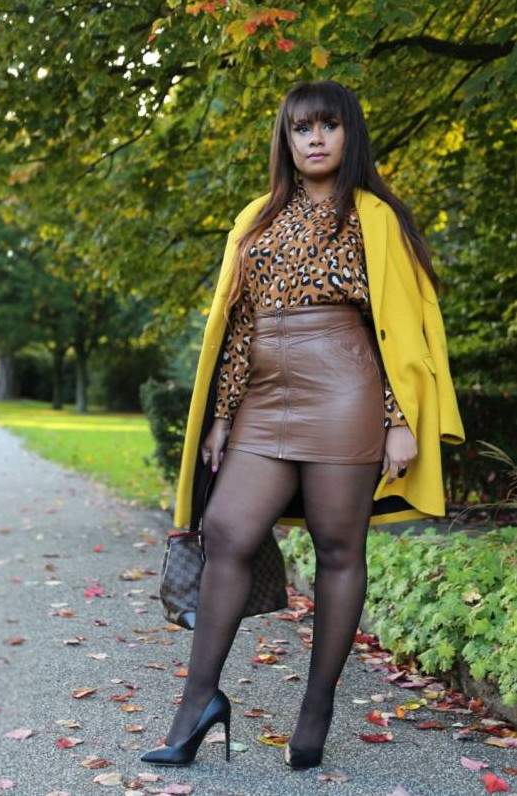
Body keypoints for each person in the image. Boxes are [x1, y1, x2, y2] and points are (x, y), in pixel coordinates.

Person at [141, 79, 465, 770]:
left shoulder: (374, 216)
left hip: (344, 386)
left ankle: (316, 709)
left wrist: (398, 418)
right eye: (300, 127)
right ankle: (197, 702)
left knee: (338, 546)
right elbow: (237, 322)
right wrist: (222, 415)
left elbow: (397, 328)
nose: (315, 138)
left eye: (328, 125)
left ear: (349, 134)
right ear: (285, 140)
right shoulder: (256, 216)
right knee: (227, 529)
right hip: (263, 393)